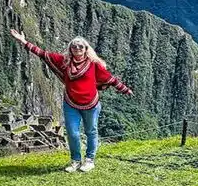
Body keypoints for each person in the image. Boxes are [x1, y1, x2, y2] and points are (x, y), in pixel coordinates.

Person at [9, 29, 133, 173]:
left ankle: (89, 160)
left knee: (91, 131)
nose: (77, 48)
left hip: (91, 104)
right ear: (70, 49)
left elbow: (109, 78)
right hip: (71, 103)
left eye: (81, 46)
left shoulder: (94, 64)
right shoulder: (64, 62)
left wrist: (125, 89)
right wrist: (23, 42)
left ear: (86, 49)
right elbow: (43, 54)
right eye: (74, 46)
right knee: (73, 133)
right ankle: (75, 161)